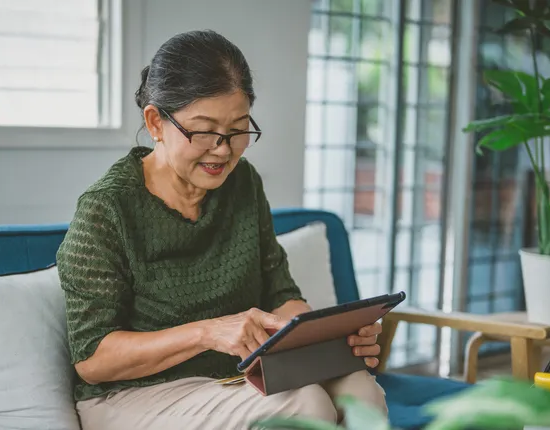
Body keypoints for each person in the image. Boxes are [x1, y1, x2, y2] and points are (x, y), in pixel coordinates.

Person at [56, 29, 387, 430]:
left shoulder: (242, 183)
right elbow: (93, 359)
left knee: (362, 392)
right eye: (204, 130)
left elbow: (280, 294)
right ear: (156, 121)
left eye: (238, 129)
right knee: (306, 405)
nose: (223, 149)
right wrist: (207, 333)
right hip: (132, 395)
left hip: (241, 376)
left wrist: (326, 335)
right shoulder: (108, 209)